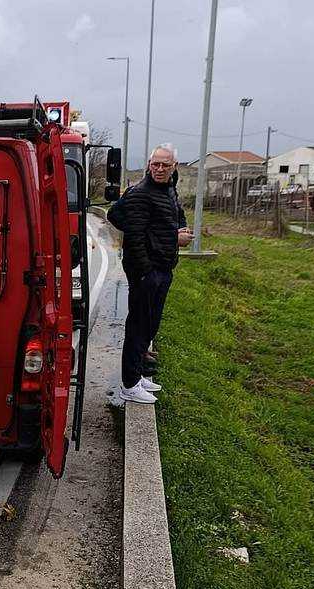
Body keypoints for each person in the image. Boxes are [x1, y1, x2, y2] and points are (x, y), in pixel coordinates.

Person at [118, 143, 194, 404]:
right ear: (149, 165)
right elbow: (136, 236)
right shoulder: (140, 193)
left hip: (164, 267)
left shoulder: (169, 190)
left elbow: (172, 219)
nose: (159, 169)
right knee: (138, 326)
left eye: (165, 165)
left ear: (174, 166)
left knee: (150, 326)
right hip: (146, 272)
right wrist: (145, 272)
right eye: (155, 164)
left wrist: (177, 233)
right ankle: (129, 384)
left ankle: (138, 375)